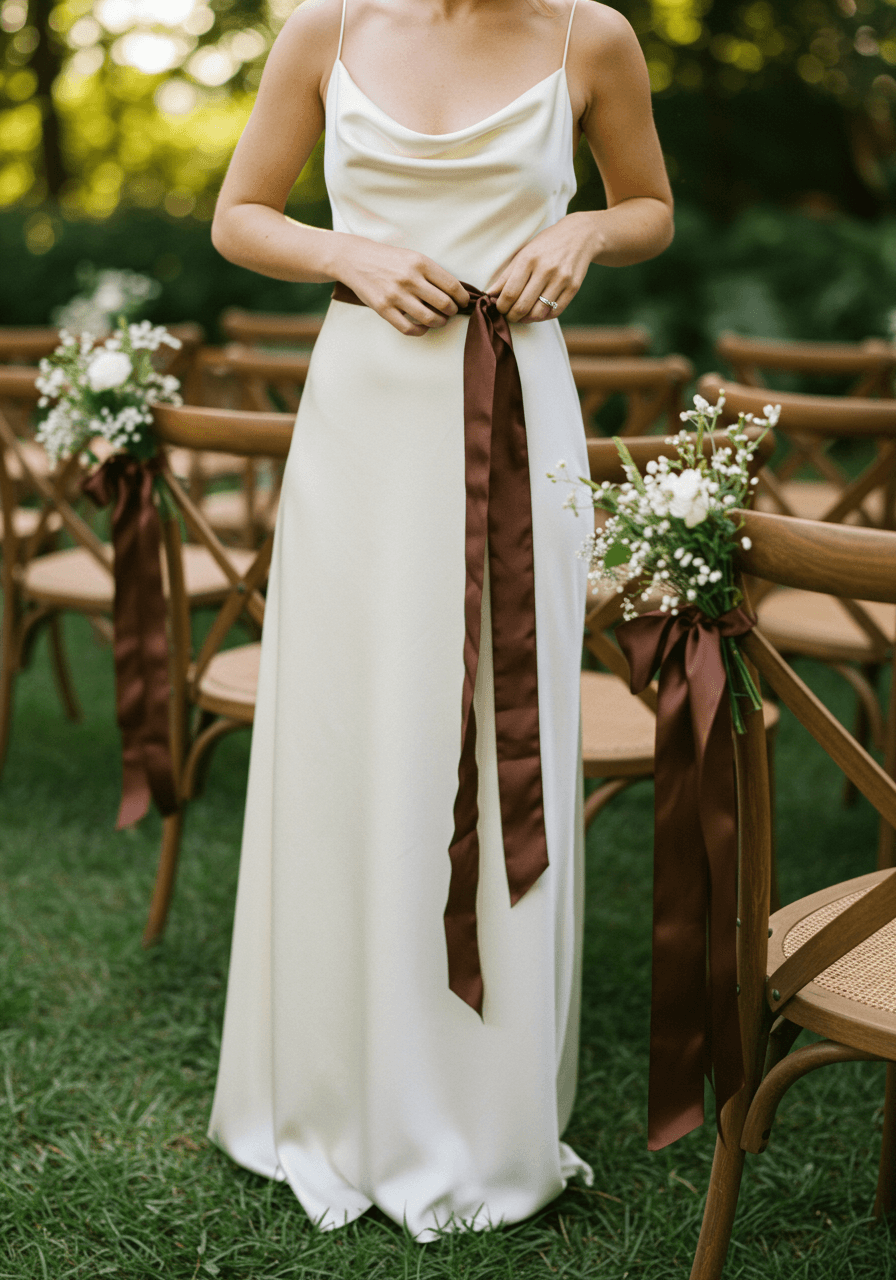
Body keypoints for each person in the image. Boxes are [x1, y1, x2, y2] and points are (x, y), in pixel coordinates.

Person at [207, 0, 673, 1240]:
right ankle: (330, 1081)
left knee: (496, 716)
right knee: (354, 730)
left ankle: (484, 1101)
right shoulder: (322, 29)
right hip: (361, 418)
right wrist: (342, 254)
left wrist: (584, 229)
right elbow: (237, 215)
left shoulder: (593, 36)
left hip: (520, 406)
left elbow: (649, 207)